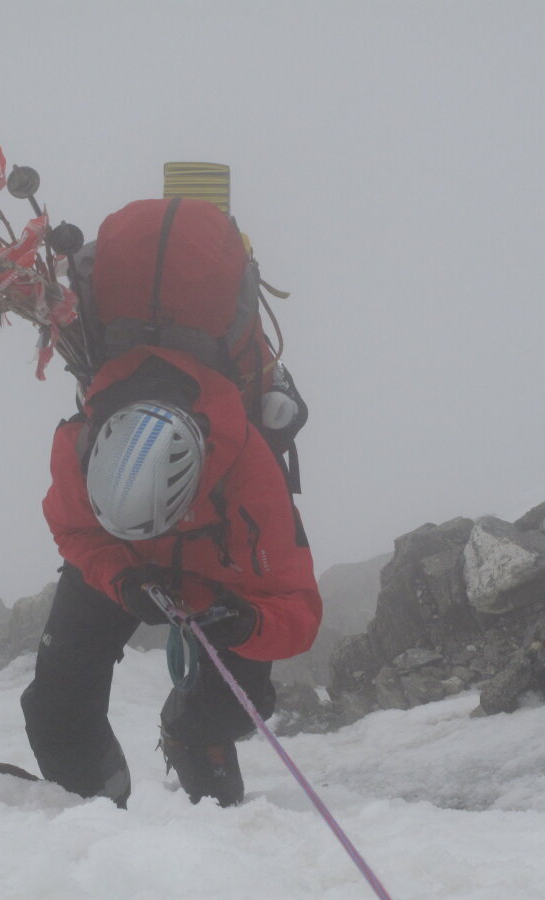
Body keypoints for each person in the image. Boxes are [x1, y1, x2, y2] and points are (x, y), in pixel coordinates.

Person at [20, 293, 322, 807]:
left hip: (216, 580)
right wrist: (122, 576)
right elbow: (76, 533)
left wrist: (247, 623)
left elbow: (296, 607)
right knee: (56, 706)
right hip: (121, 570)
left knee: (231, 705)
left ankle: (194, 737)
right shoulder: (78, 450)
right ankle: (91, 814)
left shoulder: (250, 481)